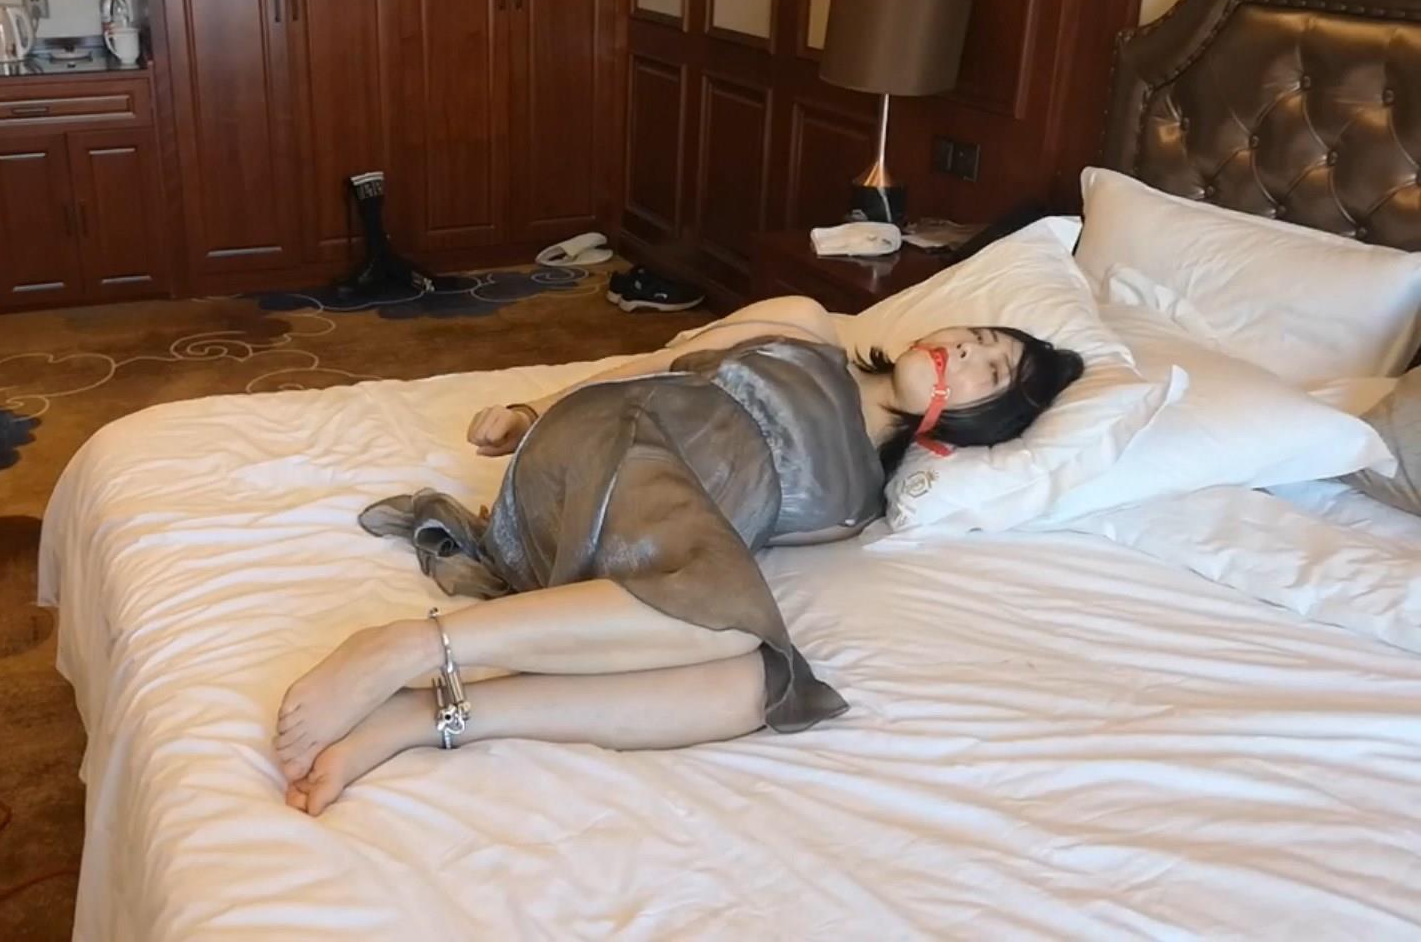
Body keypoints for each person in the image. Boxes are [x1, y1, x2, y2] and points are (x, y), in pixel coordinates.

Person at [275, 295, 1085, 814]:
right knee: (730, 622)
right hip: (617, 439)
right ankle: (408, 646)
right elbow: (655, 364)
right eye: (974, 338)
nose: (964, 354)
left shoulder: (860, 505)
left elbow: (740, 527)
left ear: (975, 423)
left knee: (757, 686)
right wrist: (530, 411)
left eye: (989, 371)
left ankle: (427, 716)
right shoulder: (807, 324)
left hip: (638, 563)